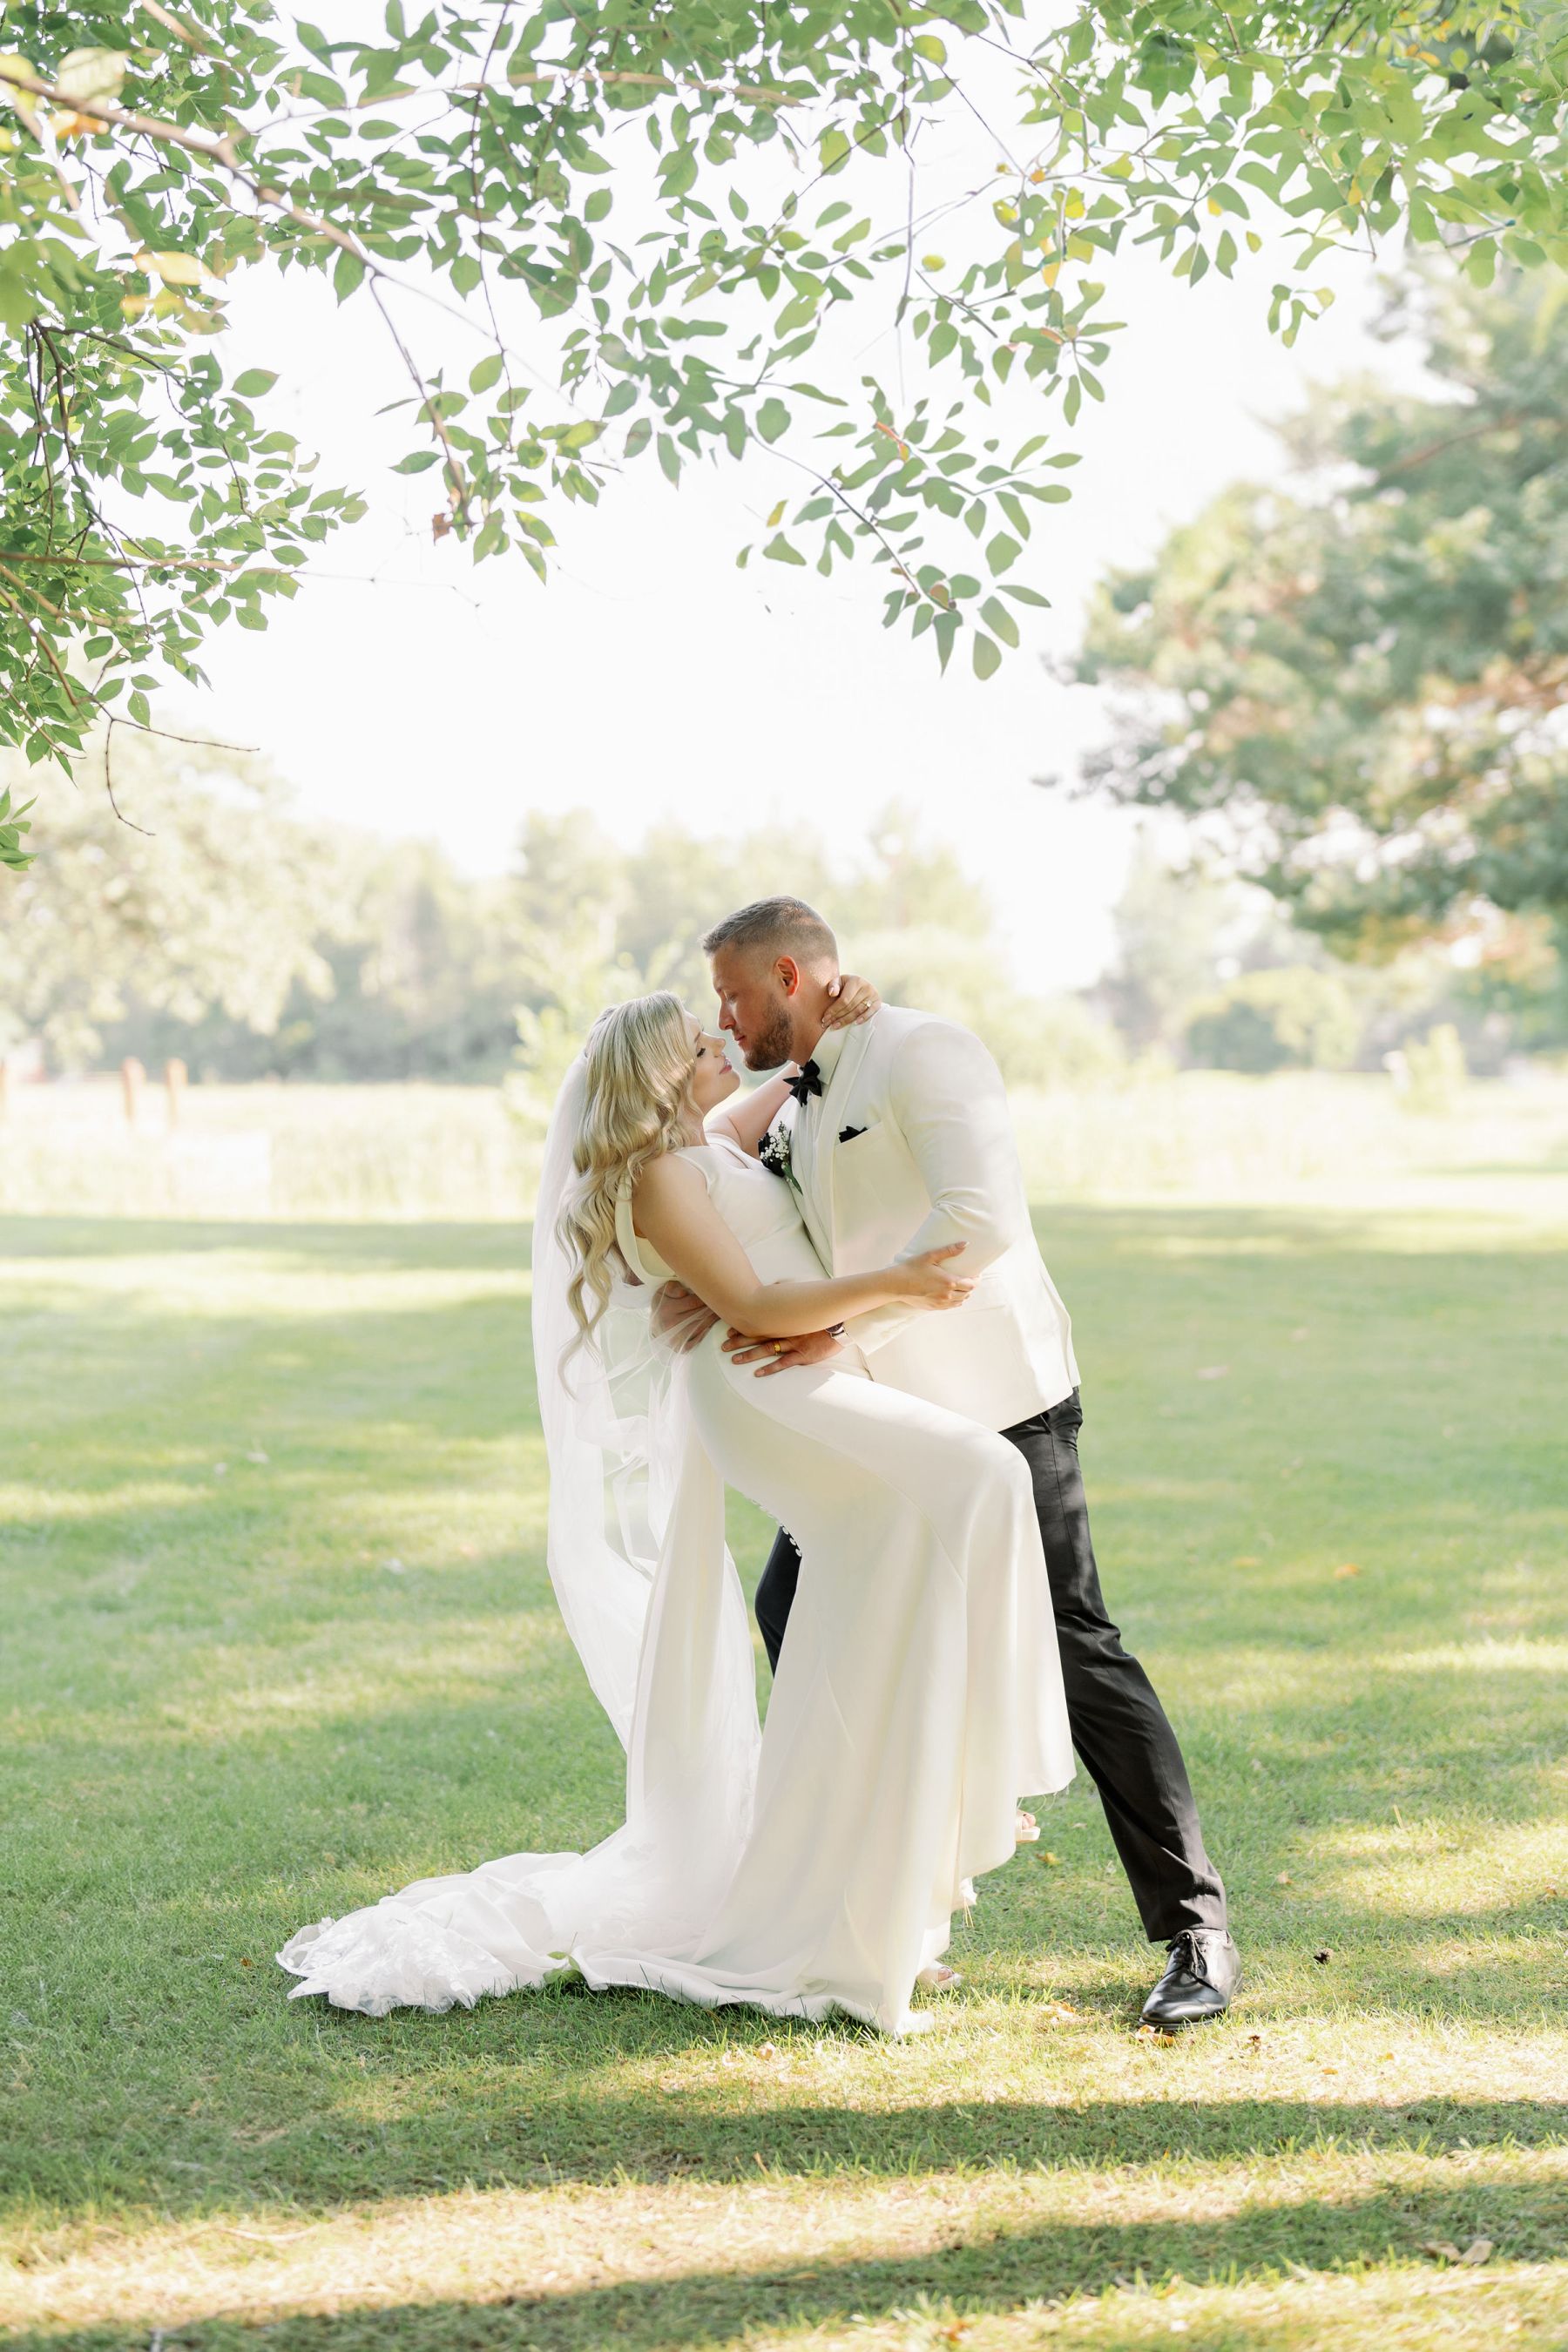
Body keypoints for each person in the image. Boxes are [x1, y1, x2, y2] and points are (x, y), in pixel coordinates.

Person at [278, 979, 1072, 2037]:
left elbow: (794, 1071)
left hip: (793, 1373)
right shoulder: (656, 1177)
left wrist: (853, 1008)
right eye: (702, 1045)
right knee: (982, 1475)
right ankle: (988, 1767)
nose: (721, 1049)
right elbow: (748, 1308)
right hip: (764, 1386)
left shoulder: (706, 1138)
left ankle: (872, 1909)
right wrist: (897, 1287)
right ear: (661, 1077)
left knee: (884, 1590)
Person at [693, 896, 1240, 2029]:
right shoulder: (806, 1082)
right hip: (881, 1431)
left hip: (997, 1404)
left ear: (787, 973)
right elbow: (721, 1147)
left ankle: (1198, 1930)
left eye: (734, 995)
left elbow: (978, 1220)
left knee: (1076, 1645)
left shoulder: (923, 1049)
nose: (724, 1015)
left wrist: (842, 1337)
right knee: (791, 1604)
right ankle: (867, 1899)